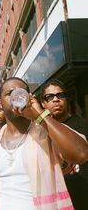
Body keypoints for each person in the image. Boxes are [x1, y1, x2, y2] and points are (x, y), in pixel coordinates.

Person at [0, 77, 88, 210]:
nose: (15, 97)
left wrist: (40, 114)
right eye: (9, 93)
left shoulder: (46, 133)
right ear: (1, 101)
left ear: (29, 97)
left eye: (20, 93)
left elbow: (81, 154)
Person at [40, 79, 88, 210]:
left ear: (66, 99)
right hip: (53, 200)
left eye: (60, 95)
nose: (56, 99)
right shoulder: (38, 131)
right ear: (43, 103)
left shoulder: (83, 125)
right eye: (49, 97)